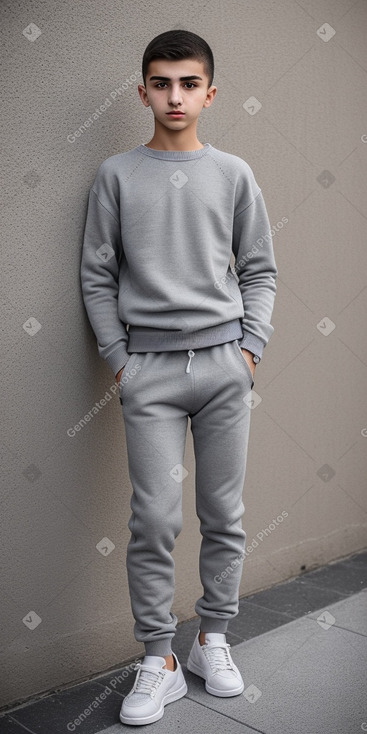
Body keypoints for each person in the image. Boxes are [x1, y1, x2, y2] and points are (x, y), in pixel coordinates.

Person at [80, 28, 277, 727]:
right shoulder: (116, 175)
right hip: (149, 372)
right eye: (161, 83)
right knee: (154, 520)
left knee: (223, 513)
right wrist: (121, 360)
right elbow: (97, 276)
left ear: (209, 93)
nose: (174, 96)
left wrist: (249, 347)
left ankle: (212, 639)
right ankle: (158, 658)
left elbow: (258, 270)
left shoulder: (233, 174)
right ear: (142, 91)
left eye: (188, 83)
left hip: (225, 366)